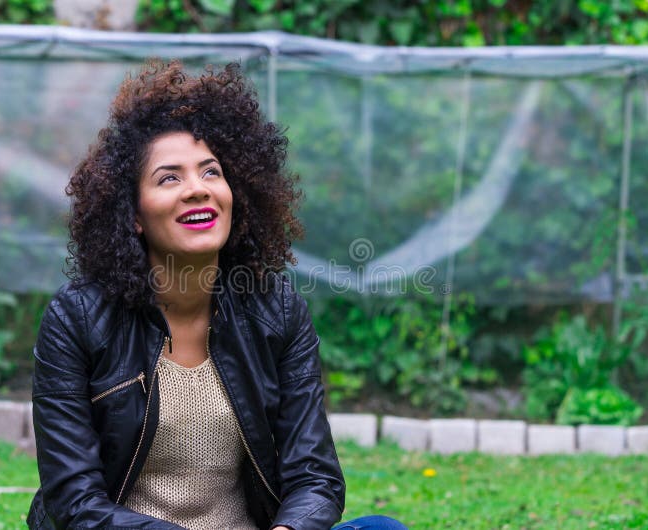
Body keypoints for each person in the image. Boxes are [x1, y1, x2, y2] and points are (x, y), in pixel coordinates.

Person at [26, 59, 406, 530]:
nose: (197, 190)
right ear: (134, 215)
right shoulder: (78, 317)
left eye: (211, 172)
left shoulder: (276, 309)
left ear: (236, 191)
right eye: (169, 178)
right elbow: (74, 501)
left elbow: (314, 475)